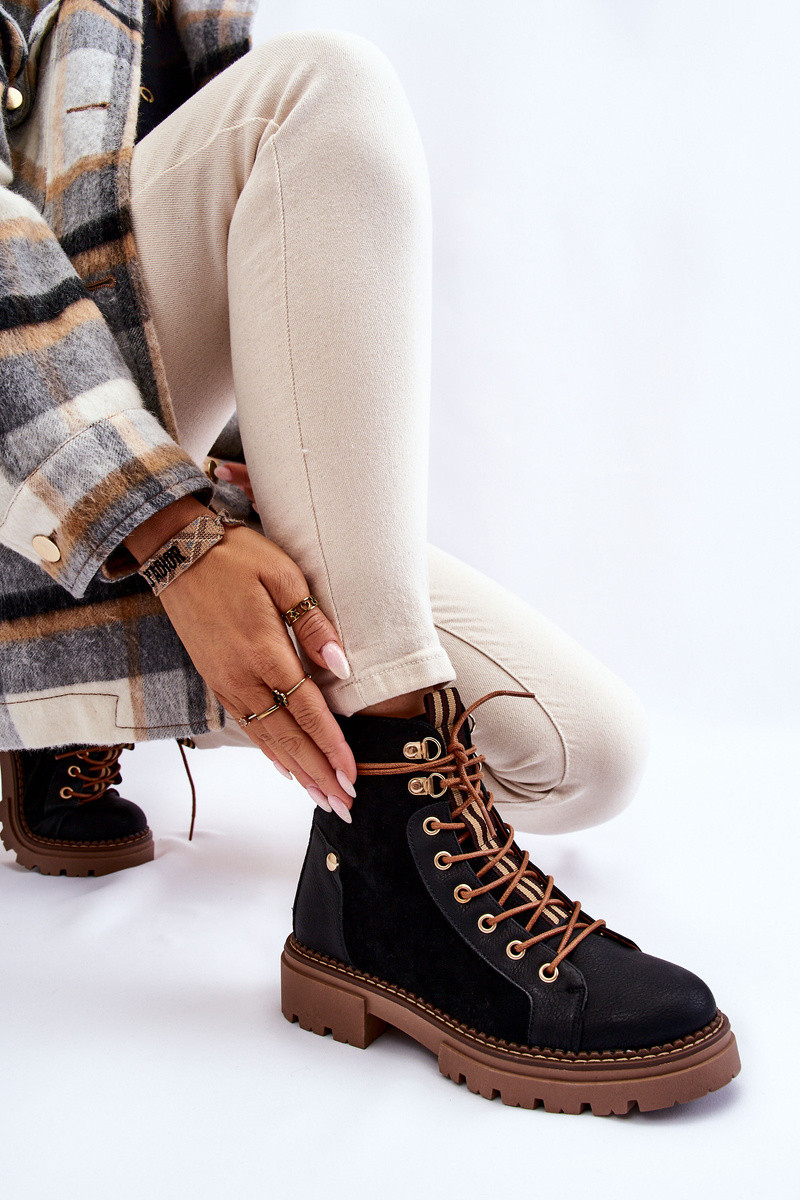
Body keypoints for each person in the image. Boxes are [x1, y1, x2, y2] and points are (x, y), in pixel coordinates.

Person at [0, 0, 739, 1111]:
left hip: (85, 469)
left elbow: (256, 304)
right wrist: (162, 528)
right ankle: (392, 874)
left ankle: (106, 736)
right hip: (53, 461)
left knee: (587, 752)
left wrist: (218, 496)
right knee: (318, 95)